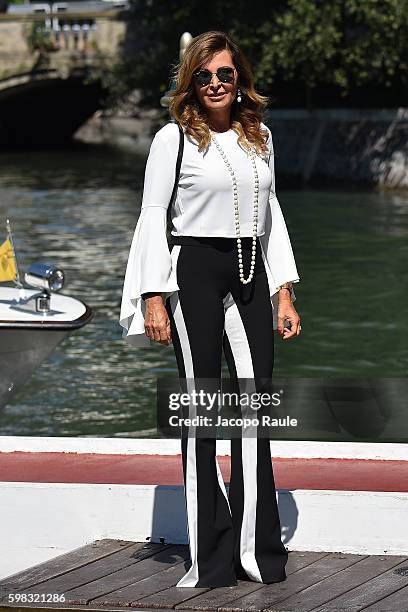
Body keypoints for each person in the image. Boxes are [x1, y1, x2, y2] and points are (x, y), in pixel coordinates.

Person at [119, 30, 301, 588]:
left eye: (226, 74)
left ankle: (254, 550)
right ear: (191, 83)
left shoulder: (260, 135)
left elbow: (270, 210)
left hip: (253, 272)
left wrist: (285, 291)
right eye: (205, 75)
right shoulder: (173, 139)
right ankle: (212, 558)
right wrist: (153, 296)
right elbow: (153, 216)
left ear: (240, 79)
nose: (217, 84)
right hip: (194, 270)